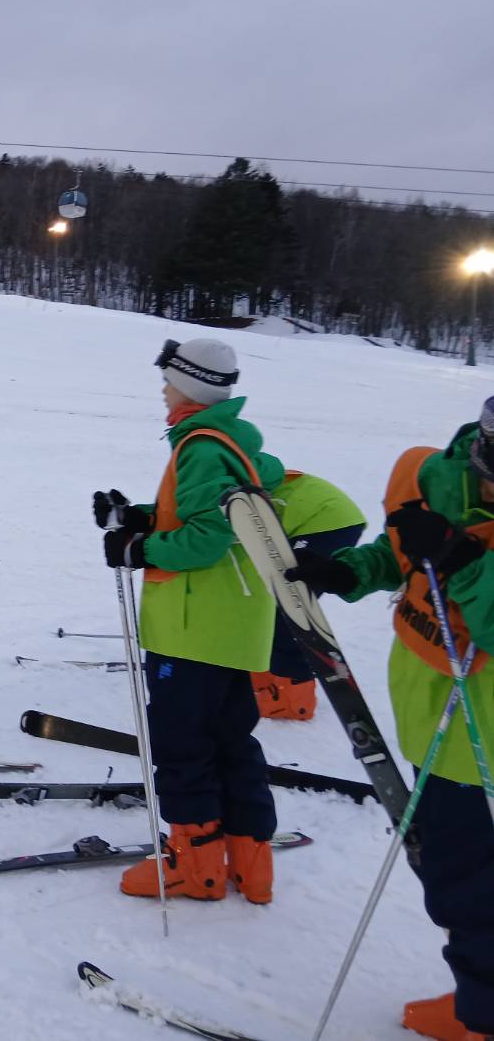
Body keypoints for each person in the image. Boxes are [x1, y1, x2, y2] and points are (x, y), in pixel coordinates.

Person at [287, 398, 494, 1041]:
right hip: (430, 716)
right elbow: (401, 553)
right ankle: (478, 995)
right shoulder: (445, 478)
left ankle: (484, 1016)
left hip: (480, 743)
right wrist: (345, 570)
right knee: (452, 872)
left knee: (469, 886)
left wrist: (460, 559)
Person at [94, 338, 285, 905]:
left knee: (183, 745)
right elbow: (207, 513)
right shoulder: (231, 442)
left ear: (192, 386)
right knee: (231, 742)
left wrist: (139, 549)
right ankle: (251, 864)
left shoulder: (200, 446)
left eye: (170, 382)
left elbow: (206, 537)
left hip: (193, 627)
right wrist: (137, 517)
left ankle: (196, 866)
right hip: (231, 624)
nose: (163, 391)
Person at [252, 472, 365, 720]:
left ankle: (293, 699)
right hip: (321, 515)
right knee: (270, 602)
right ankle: (270, 680)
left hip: (326, 521)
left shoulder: (218, 475)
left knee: (289, 605)